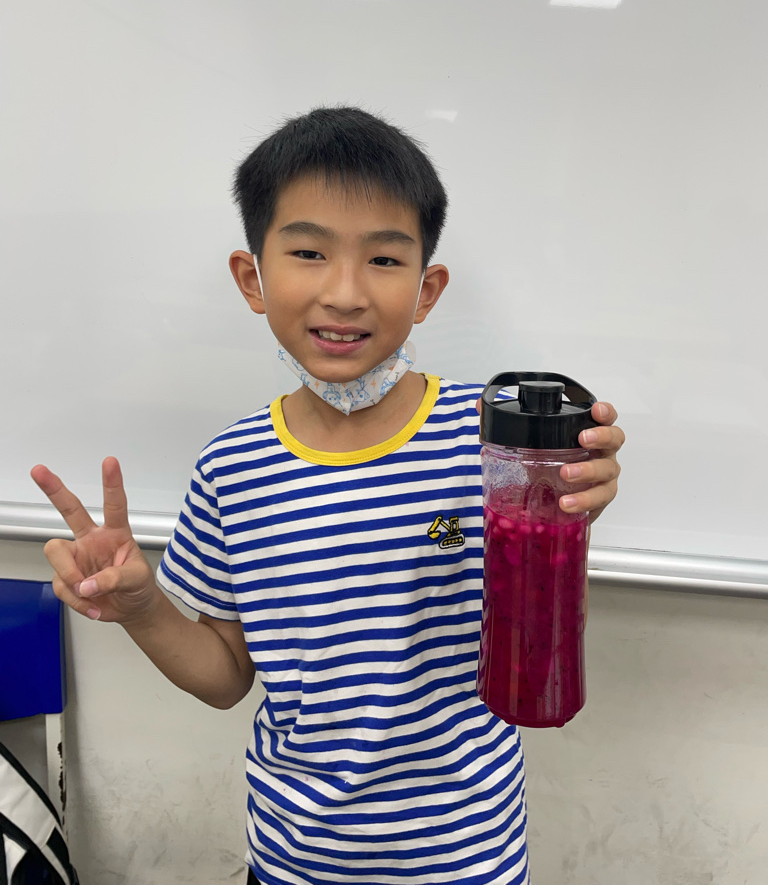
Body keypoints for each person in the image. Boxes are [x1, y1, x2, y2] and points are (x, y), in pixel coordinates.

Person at [31, 106, 625, 885]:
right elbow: (226, 676)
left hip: (466, 859)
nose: (345, 293)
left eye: (383, 259)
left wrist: (573, 499)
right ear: (252, 278)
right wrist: (143, 607)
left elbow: (544, 593)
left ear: (426, 289)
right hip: (294, 861)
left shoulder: (491, 440)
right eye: (309, 252)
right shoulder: (232, 468)